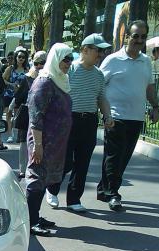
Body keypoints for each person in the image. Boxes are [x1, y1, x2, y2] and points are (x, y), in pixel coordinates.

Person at [45, 34, 115, 212]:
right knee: (66, 161)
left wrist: (107, 116)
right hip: (69, 120)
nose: (100, 54)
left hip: (89, 121)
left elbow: (102, 98)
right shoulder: (71, 70)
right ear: (85, 49)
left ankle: (74, 199)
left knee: (83, 162)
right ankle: (52, 189)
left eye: (102, 51)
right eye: (97, 50)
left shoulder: (99, 74)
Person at [97, 20, 159, 211]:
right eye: (135, 36)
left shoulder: (146, 62)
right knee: (114, 156)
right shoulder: (112, 60)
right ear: (127, 37)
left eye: (143, 36)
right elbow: (99, 85)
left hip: (136, 117)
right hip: (115, 116)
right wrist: (102, 111)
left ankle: (103, 188)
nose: (139, 40)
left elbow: (149, 88)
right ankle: (113, 193)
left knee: (122, 157)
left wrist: (156, 106)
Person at [25, 43, 73, 236]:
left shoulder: (60, 80)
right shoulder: (44, 83)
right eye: (65, 59)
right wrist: (38, 145)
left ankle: (35, 216)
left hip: (56, 144)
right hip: (42, 142)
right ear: (56, 59)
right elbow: (35, 116)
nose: (69, 63)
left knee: (44, 179)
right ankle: (29, 221)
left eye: (71, 59)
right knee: (37, 178)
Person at [12, 50, 46, 178]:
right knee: (23, 142)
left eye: (42, 63)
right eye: (37, 63)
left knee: (40, 142)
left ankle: (35, 167)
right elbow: (18, 97)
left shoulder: (51, 78)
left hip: (43, 115)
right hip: (27, 113)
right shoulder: (26, 77)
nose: (39, 66)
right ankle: (22, 169)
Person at [3, 49, 29, 141]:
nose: (21, 59)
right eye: (19, 56)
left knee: (17, 115)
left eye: (23, 57)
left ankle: (17, 134)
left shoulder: (26, 70)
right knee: (8, 114)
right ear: (16, 57)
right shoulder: (10, 68)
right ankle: (10, 135)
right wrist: (11, 84)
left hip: (20, 95)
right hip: (9, 94)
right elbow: (3, 79)